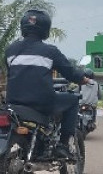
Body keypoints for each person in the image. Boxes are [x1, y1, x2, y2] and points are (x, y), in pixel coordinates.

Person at [5, 9, 91, 158]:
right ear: (45, 29)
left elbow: (11, 71)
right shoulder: (50, 51)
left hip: (13, 102)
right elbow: (69, 72)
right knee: (72, 100)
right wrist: (83, 79)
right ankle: (63, 145)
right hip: (41, 102)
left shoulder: (10, 50)